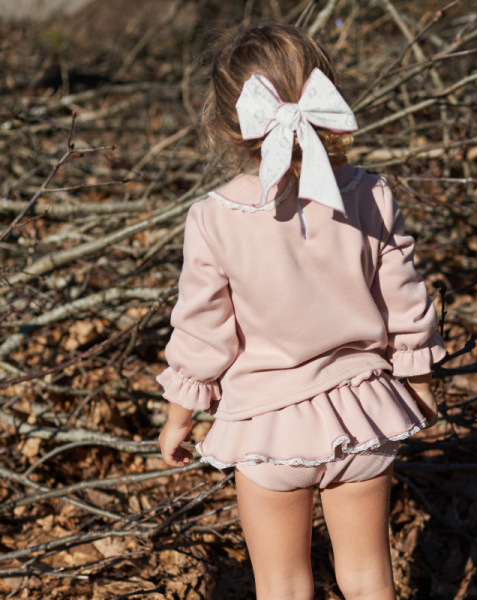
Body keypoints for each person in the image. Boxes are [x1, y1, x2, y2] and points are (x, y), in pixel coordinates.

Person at [157, 22, 445, 600]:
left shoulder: (215, 219)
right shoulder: (368, 194)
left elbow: (203, 332)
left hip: (268, 424)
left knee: (283, 584)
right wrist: (416, 378)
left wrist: (179, 416)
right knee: (368, 577)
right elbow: (405, 296)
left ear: (226, 122)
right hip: (363, 413)